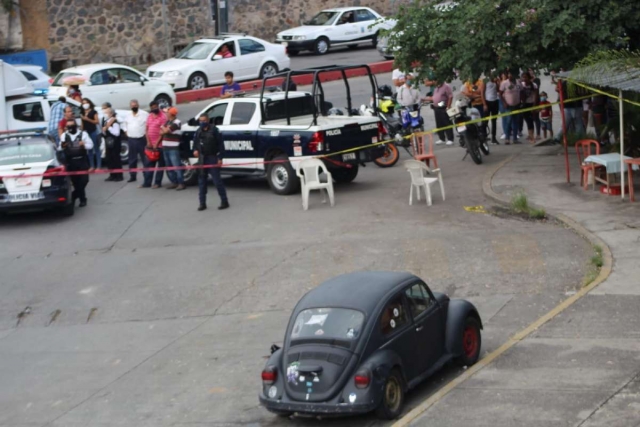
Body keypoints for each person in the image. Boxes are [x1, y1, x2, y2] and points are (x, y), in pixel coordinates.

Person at [193, 114, 229, 211]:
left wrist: (220, 158)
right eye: (200, 121)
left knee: (217, 181)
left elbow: (221, 145)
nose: (202, 122)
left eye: (204, 120)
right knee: (202, 182)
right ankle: (202, 203)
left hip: (212, 157)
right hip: (202, 159)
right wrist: (195, 150)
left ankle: (224, 201)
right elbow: (195, 143)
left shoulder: (214, 130)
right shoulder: (198, 131)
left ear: (208, 120)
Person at [61, 119, 93, 207]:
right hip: (71, 162)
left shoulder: (83, 134)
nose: (70, 128)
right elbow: (60, 148)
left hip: (82, 160)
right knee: (76, 182)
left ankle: (73, 196)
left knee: (84, 180)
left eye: (72, 125)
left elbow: (91, 145)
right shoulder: (64, 135)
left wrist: (84, 144)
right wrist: (63, 146)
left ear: (76, 126)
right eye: (68, 126)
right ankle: (83, 199)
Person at [122, 99, 149, 184]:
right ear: (130, 106)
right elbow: (123, 124)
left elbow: (148, 125)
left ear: (138, 105)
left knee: (145, 159)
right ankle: (132, 176)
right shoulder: (127, 115)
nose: (134, 106)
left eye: (135, 105)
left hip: (141, 139)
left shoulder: (144, 114)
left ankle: (147, 176)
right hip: (131, 139)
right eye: (132, 105)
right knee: (132, 159)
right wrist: (126, 132)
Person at [159, 106, 185, 190]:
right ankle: (174, 182)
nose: (166, 114)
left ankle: (181, 183)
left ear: (171, 113)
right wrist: (164, 128)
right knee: (169, 166)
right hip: (166, 147)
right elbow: (161, 132)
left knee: (176, 166)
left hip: (173, 148)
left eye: (167, 112)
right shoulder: (168, 122)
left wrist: (164, 128)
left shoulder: (177, 122)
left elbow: (165, 131)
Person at [424, 77, 454, 145]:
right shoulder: (436, 88)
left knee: (447, 123)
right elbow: (434, 97)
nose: (435, 82)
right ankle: (441, 138)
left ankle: (450, 139)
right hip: (437, 107)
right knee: (439, 124)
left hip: (444, 107)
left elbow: (450, 96)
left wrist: (448, 106)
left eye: (436, 81)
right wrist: (424, 99)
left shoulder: (446, 86)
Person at [144, 101, 166, 189]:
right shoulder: (149, 116)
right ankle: (147, 183)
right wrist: (148, 142)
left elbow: (162, 132)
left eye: (155, 107)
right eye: (152, 107)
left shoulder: (163, 117)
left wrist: (156, 143)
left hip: (160, 145)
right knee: (149, 165)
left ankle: (157, 183)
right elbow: (146, 129)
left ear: (158, 106)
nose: (154, 108)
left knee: (160, 165)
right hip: (150, 146)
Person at [499, 69, 522, 145]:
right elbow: (500, 94)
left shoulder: (518, 82)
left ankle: (515, 138)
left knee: (516, 121)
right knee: (508, 121)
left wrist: (521, 101)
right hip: (508, 105)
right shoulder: (504, 83)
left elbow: (521, 91)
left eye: (511, 74)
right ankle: (507, 138)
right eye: (509, 74)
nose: (510, 76)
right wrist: (504, 103)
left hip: (517, 105)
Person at [102, 107, 123, 182]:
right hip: (108, 143)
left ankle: (119, 176)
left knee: (116, 159)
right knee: (109, 159)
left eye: (107, 112)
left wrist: (108, 128)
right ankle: (112, 175)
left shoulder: (115, 122)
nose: (105, 114)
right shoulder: (106, 121)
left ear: (111, 113)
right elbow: (104, 132)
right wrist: (104, 130)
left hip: (115, 143)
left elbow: (116, 133)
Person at [80, 98, 100, 171]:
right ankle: (92, 166)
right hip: (86, 132)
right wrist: (81, 131)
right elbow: (82, 123)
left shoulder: (93, 112)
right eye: (83, 103)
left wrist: (87, 119)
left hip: (93, 131)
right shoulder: (82, 113)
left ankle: (98, 166)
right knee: (89, 149)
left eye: (86, 103)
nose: (85, 104)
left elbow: (96, 121)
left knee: (96, 148)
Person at [519, 71, 539, 143]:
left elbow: (536, 95)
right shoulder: (521, 85)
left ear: (529, 77)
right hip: (524, 104)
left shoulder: (534, 85)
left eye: (525, 77)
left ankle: (531, 136)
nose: (524, 78)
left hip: (531, 104)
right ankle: (531, 136)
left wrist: (534, 105)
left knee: (531, 120)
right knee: (528, 120)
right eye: (523, 77)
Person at [484, 73, 500, 144]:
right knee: (485, 120)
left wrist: (497, 83)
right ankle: (484, 136)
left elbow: (498, 90)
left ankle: (494, 137)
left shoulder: (495, 82)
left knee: (494, 120)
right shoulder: (485, 81)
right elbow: (482, 92)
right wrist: (484, 104)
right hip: (488, 101)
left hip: (495, 101)